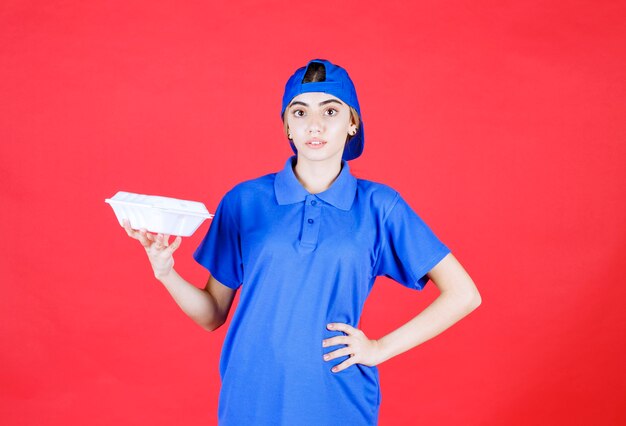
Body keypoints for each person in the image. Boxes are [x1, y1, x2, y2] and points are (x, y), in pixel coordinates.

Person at [123, 58, 481, 425]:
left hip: (336, 400)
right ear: (287, 126)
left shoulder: (380, 206)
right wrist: (165, 272)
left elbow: (464, 293)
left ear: (352, 123)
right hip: (250, 397)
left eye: (330, 111)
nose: (315, 125)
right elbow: (212, 315)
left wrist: (379, 349)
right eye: (299, 112)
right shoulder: (244, 202)